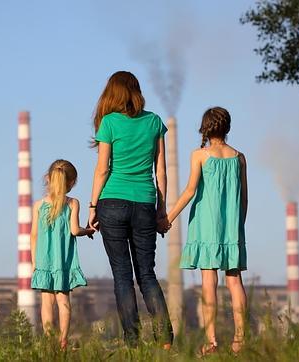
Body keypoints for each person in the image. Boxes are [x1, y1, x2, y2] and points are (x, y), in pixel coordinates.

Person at [88, 71, 173, 348]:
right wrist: (162, 210)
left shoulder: (109, 123)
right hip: (145, 203)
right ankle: (165, 340)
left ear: (111, 93)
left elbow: (102, 170)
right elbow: (161, 170)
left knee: (122, 276)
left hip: (112, 201)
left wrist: (92, 207)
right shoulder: (154, 122)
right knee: (146, 274)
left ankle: (133, 343)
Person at [166, 107, 248, 355]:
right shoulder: (239, 157)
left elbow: (190, 191)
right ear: (227, 127)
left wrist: (168, 218)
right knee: (235, 282)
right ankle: (240, 340)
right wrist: (238, 227)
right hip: (232, 229)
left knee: (209, 282)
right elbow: (244, 199)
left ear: (205, 128)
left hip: (206, 226)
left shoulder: (199, 155)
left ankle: (212, 341)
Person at [30, 159, 95, 350]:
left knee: (46, 303)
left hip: (43, 260)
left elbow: (33, 236)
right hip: (63, 260)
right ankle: (63, 341)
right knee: (63, 300)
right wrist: (88, 230)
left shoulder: (39, 206)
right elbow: (75, 231)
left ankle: (50, 341)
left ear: (48, 179)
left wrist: (35, 262)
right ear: (71, 182)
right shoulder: (73, 203)